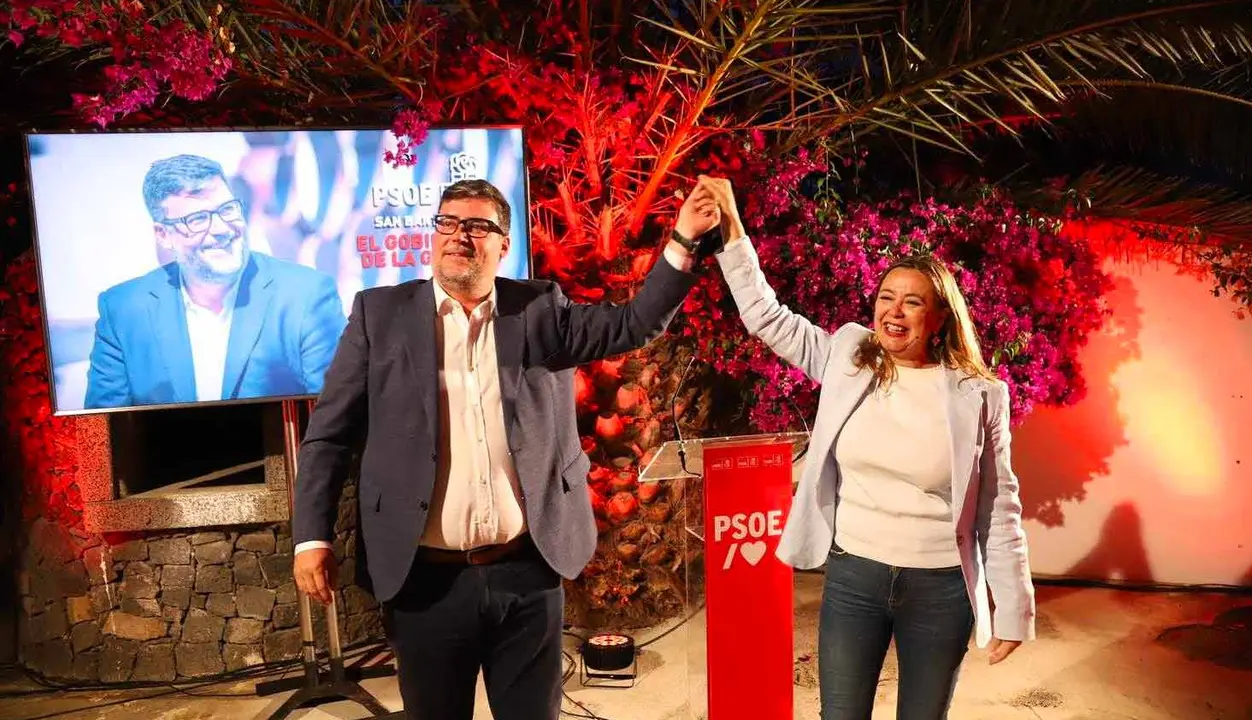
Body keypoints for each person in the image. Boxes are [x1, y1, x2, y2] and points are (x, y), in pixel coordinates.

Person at [291, 178, 722, 720]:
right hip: (424, 582)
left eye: (477, 226)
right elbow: (329, 434)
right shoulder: (380, 316)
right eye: (448, 222)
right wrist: (311, 537)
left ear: (503, 244)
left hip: (526, 574)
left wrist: (683, 239)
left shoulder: (539, 309)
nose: (459, 235)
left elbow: (633, 324)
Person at [699, 176, 1035, 720]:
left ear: (940, 318)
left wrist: (1014, 606)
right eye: (886, 298)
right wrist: (732, 231)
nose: (894, 312)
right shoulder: (848, 356)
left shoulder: (980, 395)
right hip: (854, 576)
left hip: (940, 587)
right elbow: (766, 316)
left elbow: (999, 506)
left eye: (912, 302)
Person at [84, 153, 347, 410]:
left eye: (227, 209)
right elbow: (99, 426)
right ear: (163, 235)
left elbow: (339, 414)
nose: (222, 229)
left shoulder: (306, 295)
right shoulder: (123, 309)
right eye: (197, 219)